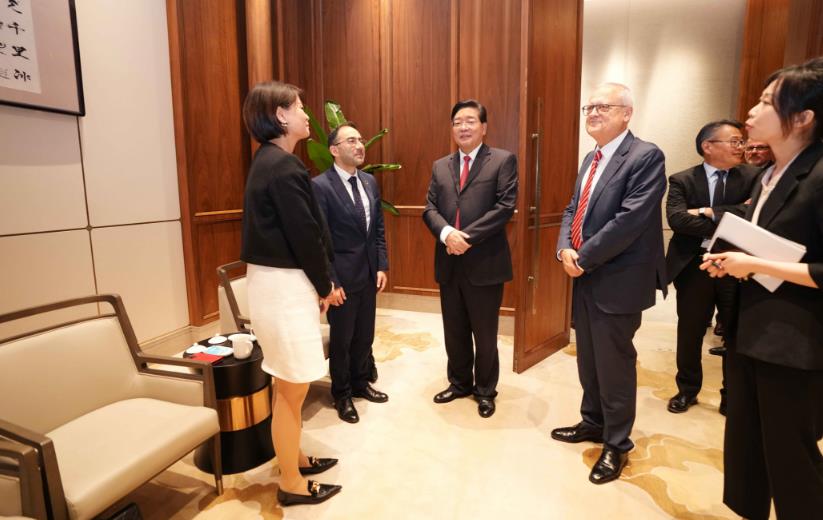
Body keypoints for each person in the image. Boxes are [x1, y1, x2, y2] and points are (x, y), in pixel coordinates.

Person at [702, 57, 823, 520]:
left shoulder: (818, 173)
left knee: (791, 457)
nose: (751, 112)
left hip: (795, 340)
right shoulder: (769, 173)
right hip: (750, 327)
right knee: (746, 445)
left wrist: (753, 263)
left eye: (768, 102)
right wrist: (735, 262)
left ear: (803, 117)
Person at [552, 83, 667, 484]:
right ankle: (593, 422)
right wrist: (564, 248)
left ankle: (617, 443)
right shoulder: (591, 157)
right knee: (588, 357)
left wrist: (583, 257)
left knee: (614, 363)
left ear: (627, 113)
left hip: (619, 278)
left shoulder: (645, 156)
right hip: (585, 273)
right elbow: (573, 209)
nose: (593, 112)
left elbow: (630, 220)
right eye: (590, 107)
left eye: (604, 106)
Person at [240, 81, 341, 506]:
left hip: (274, 285)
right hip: (283, 290)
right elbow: (305, 236)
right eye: (299, 107)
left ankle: (293, 459)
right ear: (280, 115)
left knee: (287, 384)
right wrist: (326, 285)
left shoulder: (268, 161)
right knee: (291, 389)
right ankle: (291, 484)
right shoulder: (282, 166)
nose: (305, 114)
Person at [423, 99, 518, 419]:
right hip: (449, 260)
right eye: (457, 122)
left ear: (484, 127)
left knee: (485, 332)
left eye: (470, 121)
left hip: (485, 262)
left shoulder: (502, 160)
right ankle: (459, 382)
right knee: (454, 329)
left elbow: (504, 207)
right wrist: (447, 233)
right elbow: (429, 208)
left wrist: (465, 238)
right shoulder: (440, 165)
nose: (463, 127)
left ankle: (485, 390)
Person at [664, 120, 758, 415]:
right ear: (708, 146)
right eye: (734, 141)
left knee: (734, 333)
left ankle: (732, 395)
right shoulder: (682, 179)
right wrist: (731, 220)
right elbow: (677, 220)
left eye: (742, 141)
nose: (741, 147)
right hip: (694, 265)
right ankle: (687, 390)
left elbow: (754, 213)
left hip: (736, 264)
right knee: (690, 332)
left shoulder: (754, 176)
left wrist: (707, 212)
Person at [312, 123, 390, 424]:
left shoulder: (369, 181)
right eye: (351, 141)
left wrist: (381, 265)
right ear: (334, 150)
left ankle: (360, 383)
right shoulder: (321, 186)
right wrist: (331, 282)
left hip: (369, 275)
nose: (359, 145)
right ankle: (342, 394)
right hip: (341, 280)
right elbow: (320, 240)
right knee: (342, 341)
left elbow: (378, 229)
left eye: (360, 140)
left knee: (364, 336)